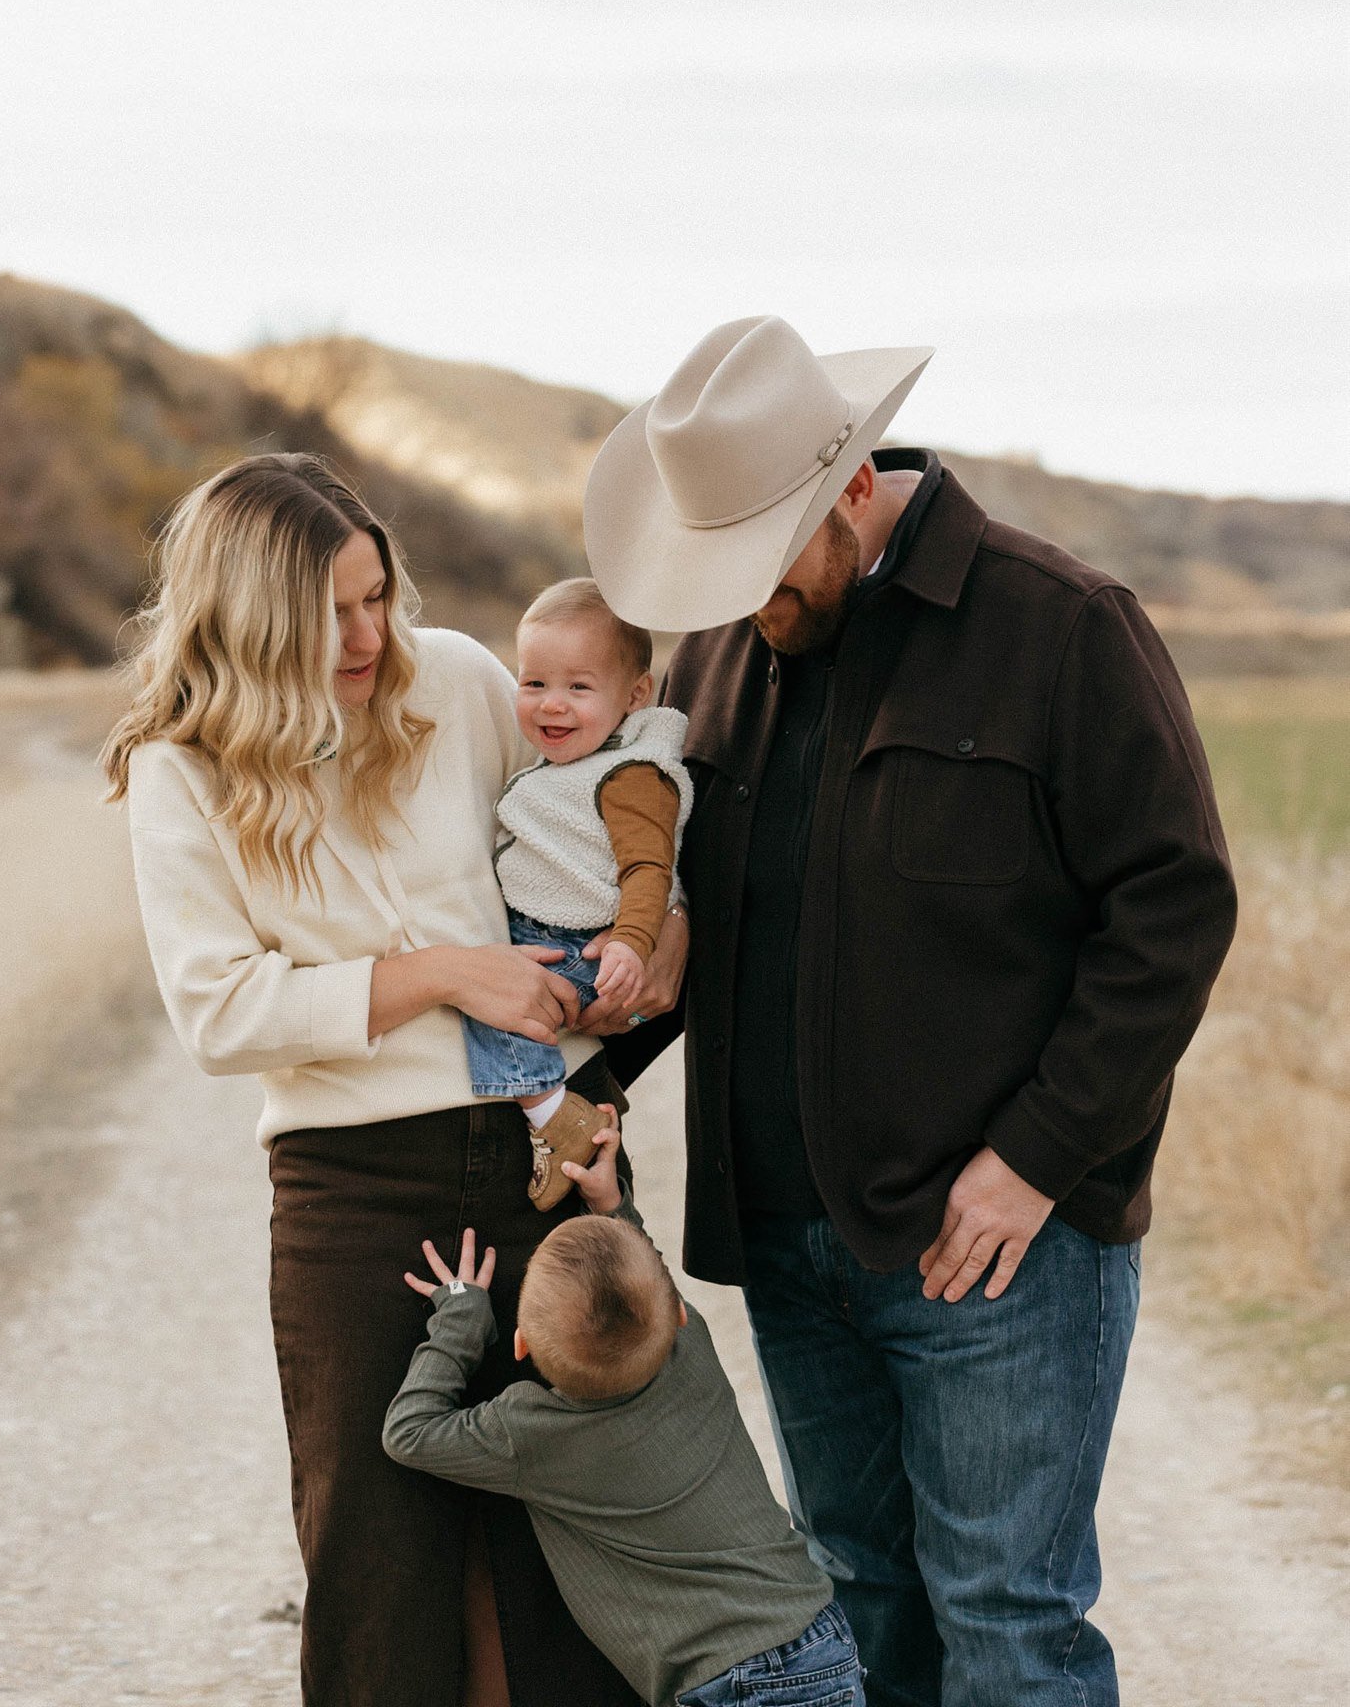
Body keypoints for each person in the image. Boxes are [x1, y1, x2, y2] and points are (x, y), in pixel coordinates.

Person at [582, 316, 1239, 1707]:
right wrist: (597, 1072)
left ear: (852, 492)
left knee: (1007, 1626)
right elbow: (698, 916)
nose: (744, 603)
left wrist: (1034, 1164)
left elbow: (1172, 910)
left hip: (994, 1256)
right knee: (858, 1606)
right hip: (787, 1246)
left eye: (760, 567)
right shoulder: (717, 658)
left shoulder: (1061, 627)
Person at [104, 451, 686, 1707]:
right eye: (335, 611)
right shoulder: (181, 768)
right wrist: (438, 974)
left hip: (544, 1159)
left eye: (379, 593)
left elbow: (600, 839)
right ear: (251, 615)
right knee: (381, 1574)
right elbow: (218, 1009)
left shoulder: (466, 681)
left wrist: (653, 939)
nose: (373, 633)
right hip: (352, 1192)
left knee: (575, 1555)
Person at [381, 1107, 864, 1707]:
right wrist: (611, 1204)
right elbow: (648, 1277)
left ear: (520, 1344)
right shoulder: (693, 1351)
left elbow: (409, 1433)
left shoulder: (529, 1431)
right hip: (818, 1639)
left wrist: (460, 1318)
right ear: (678, 1314)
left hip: (721, 1686)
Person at [458, 578, 692, 1209]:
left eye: (578, 688)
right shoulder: (566, 764)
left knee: (501, 1005)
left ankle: (553, 1116)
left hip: (585, 949)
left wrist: (633, 945)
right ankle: (556, 1115)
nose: (551, 705)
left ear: (634, 695)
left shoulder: (631, 774)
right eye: (534, 684)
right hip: (556, 934)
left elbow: (649, 868)